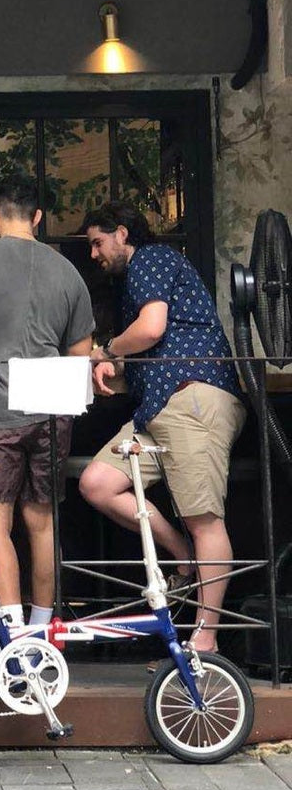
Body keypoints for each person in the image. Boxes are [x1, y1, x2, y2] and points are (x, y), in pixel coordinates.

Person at [78, 201, 246, 654]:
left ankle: (206, 639)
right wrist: (118, 369)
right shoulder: (143, 273)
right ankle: (182, 555)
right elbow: (153, 341)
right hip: (159, 406)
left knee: (204, 518)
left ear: (122, 233)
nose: (94, 254)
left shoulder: (151, 259)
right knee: (97, 482)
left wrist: (106, 352)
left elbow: (151, 329)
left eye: (97, 242)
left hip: (191, 397)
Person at [0, 182, 94, 640]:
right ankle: (45, 632)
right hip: (51, 407)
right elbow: (80, 353)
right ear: (38, 217)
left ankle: (12, 638)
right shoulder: (68, 271)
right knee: (42, 522)